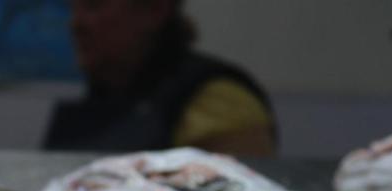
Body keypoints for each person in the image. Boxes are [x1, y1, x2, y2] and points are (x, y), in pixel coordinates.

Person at [44, 0, 276, 155]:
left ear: (155, 10)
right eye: (74, 8)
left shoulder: (219, 101)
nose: (76, 23)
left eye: (94, 5)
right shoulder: (107, 90)